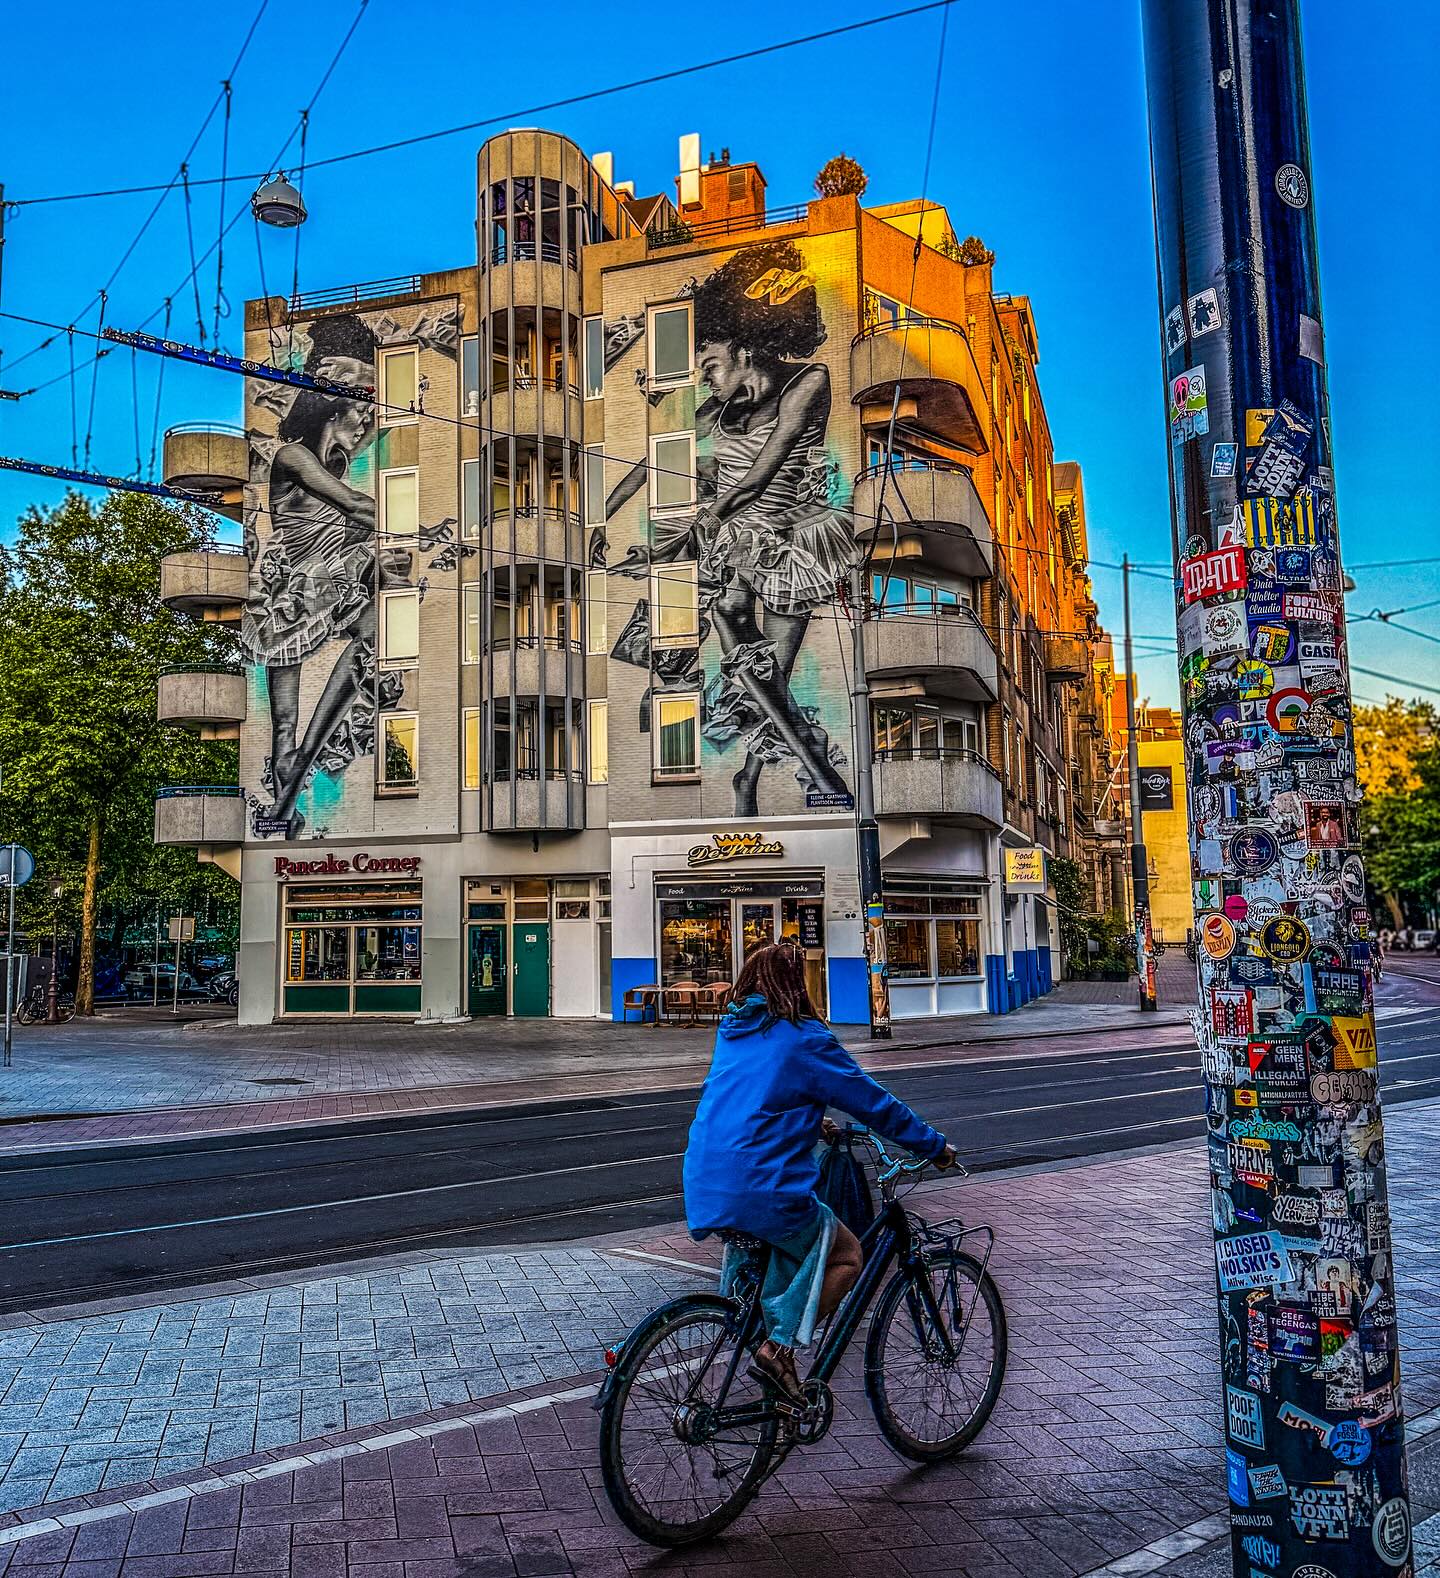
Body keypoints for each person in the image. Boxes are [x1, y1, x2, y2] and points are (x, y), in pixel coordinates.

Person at [683, 940, 956, 1403]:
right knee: (846, 1255)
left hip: (707, 1182)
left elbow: (754, 1097)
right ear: (798, 984)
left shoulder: (733, 1031)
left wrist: (815, 1120)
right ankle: (778, 1349)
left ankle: (757, 1350)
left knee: (770, 1259)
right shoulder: (806, 1038)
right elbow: (873, 1103)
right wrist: (933, 1145)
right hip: (761, 1188)